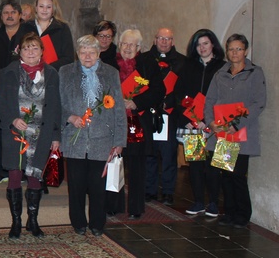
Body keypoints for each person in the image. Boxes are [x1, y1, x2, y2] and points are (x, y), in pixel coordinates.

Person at [0, 33, 62, 238]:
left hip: (41, 133)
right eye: (26, 48)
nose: (30, 52)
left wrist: (56, 135)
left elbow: (56, 106)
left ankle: (33, 221)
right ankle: (16, 222)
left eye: (34, 48)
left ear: (42, 51)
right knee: (15, 174)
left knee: (35, 175)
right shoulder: (8, 72)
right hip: (16, 132)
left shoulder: (52, 73)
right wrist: (13, 119)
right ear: (19, 52)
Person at [59, 35, 125, 237]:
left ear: (98, 53)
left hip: (102, 138)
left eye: (92, 52)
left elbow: (119, 109)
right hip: (75, 138)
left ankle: (97, 223)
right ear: (77, 54)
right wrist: (70, 117)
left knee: (98, 186)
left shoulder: (111, 73)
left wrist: (119, 141)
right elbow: (56, 104)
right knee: (76, 185)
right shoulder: (65, 72)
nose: (87, 56)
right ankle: (78, 222)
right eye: (83, 52)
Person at [204, 34, 266, 229]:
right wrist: (211, 122)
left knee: (238, 175)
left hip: (241, 133)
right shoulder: (220, 73)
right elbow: (210, 100)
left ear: (245, 51)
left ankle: (242, 214)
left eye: (239, 49)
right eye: (231, 49)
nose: (235, 53)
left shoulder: (254, 73)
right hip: (222, 132)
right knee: (225, 174)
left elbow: (259, 103)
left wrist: (238, 124)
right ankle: (229, 212)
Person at [107, 29, 164, 220]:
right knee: (114, 162)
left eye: (132, 44)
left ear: (139, 47)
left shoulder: (148, 64)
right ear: (119, 45)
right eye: (124, 43)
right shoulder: (109, 64)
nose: (128, 48)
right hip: (114, 120)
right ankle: (113, 204)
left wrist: (136, 102)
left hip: (137, 121)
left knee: (137, 165)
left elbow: (159, 91)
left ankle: (136, 207)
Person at [174, 29, 226, 217]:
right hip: (192, 124)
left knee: (214, 166)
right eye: (198, 44)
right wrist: (187, 119)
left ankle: (213, 203)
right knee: (195, 165)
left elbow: (224, 97)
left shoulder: (223, 68)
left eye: (205, 43)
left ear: (213, 45)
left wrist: (208, 121)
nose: (202, 48)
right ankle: (198, 202)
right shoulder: (187, 67)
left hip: (213, 124)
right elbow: (178, 95)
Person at [137, 27, 186, 206]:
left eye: (168, 39)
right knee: (149, 152)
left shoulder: (182, 62)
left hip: (169, 113)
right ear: (154, 40)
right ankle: (149, 190)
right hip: (148, 111)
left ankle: (167, 192)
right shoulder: (143, 59)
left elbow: (183, 88)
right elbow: (138, 83)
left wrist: (168, 103)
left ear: (173, 41)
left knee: (168, 154)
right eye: (160, 38)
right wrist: (150, 101)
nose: (164, 42)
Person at [0, 0, 29, 184]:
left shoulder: (28, 34)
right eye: (5, 13)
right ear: (1, 16)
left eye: (13, 12)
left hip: (23, 87)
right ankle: (1, 171)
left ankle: (23, 170)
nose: (9, 16)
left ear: (19, 15)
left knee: (23, 128)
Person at [21, 0, 74, 71]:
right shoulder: (25, 27)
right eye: (41, 6)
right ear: (36, 8)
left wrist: (47, 69)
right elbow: (17, 52)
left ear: (53, 9)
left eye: (48, 7)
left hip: (55, 73)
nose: (44, 10)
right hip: (28, 72)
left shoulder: (62, 28)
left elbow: (69, 58)